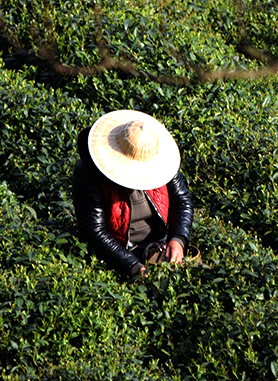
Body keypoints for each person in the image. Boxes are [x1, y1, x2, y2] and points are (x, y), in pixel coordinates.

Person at [72, 110, 195, 280]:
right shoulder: (89, 173)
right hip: (119, 250)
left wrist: (178, 240)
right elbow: (94, 230)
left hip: (159, 244)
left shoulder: (163, 163)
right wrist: (133, 267)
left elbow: (181, 201)